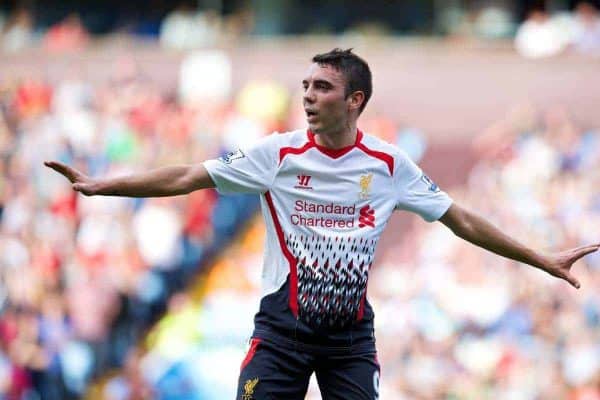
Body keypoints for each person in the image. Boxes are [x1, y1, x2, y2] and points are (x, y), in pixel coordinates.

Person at [45, 48, 599, 400]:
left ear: (355, 100)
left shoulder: (388, 166)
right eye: (306, 87)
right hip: (280, 337)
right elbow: (189, 177)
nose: (308, 96)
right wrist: (102, 185)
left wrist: (541, 258)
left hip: (349, 342)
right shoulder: (278, 154)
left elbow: (462, 221)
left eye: (323, 88)